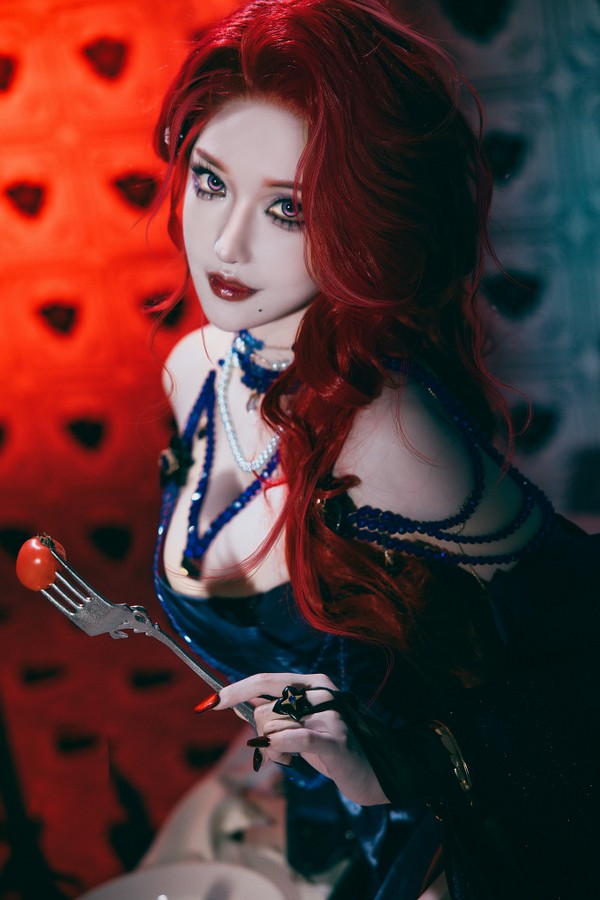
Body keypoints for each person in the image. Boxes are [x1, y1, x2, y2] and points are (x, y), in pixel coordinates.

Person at [150, 1, 600, 897]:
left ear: (366, 224)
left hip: (427, 854)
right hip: (298, 825)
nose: (226, 245)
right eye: (210, 181)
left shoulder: (390, 436)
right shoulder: (193, 370)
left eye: (287, 208)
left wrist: (408, 763)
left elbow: (579, 665)